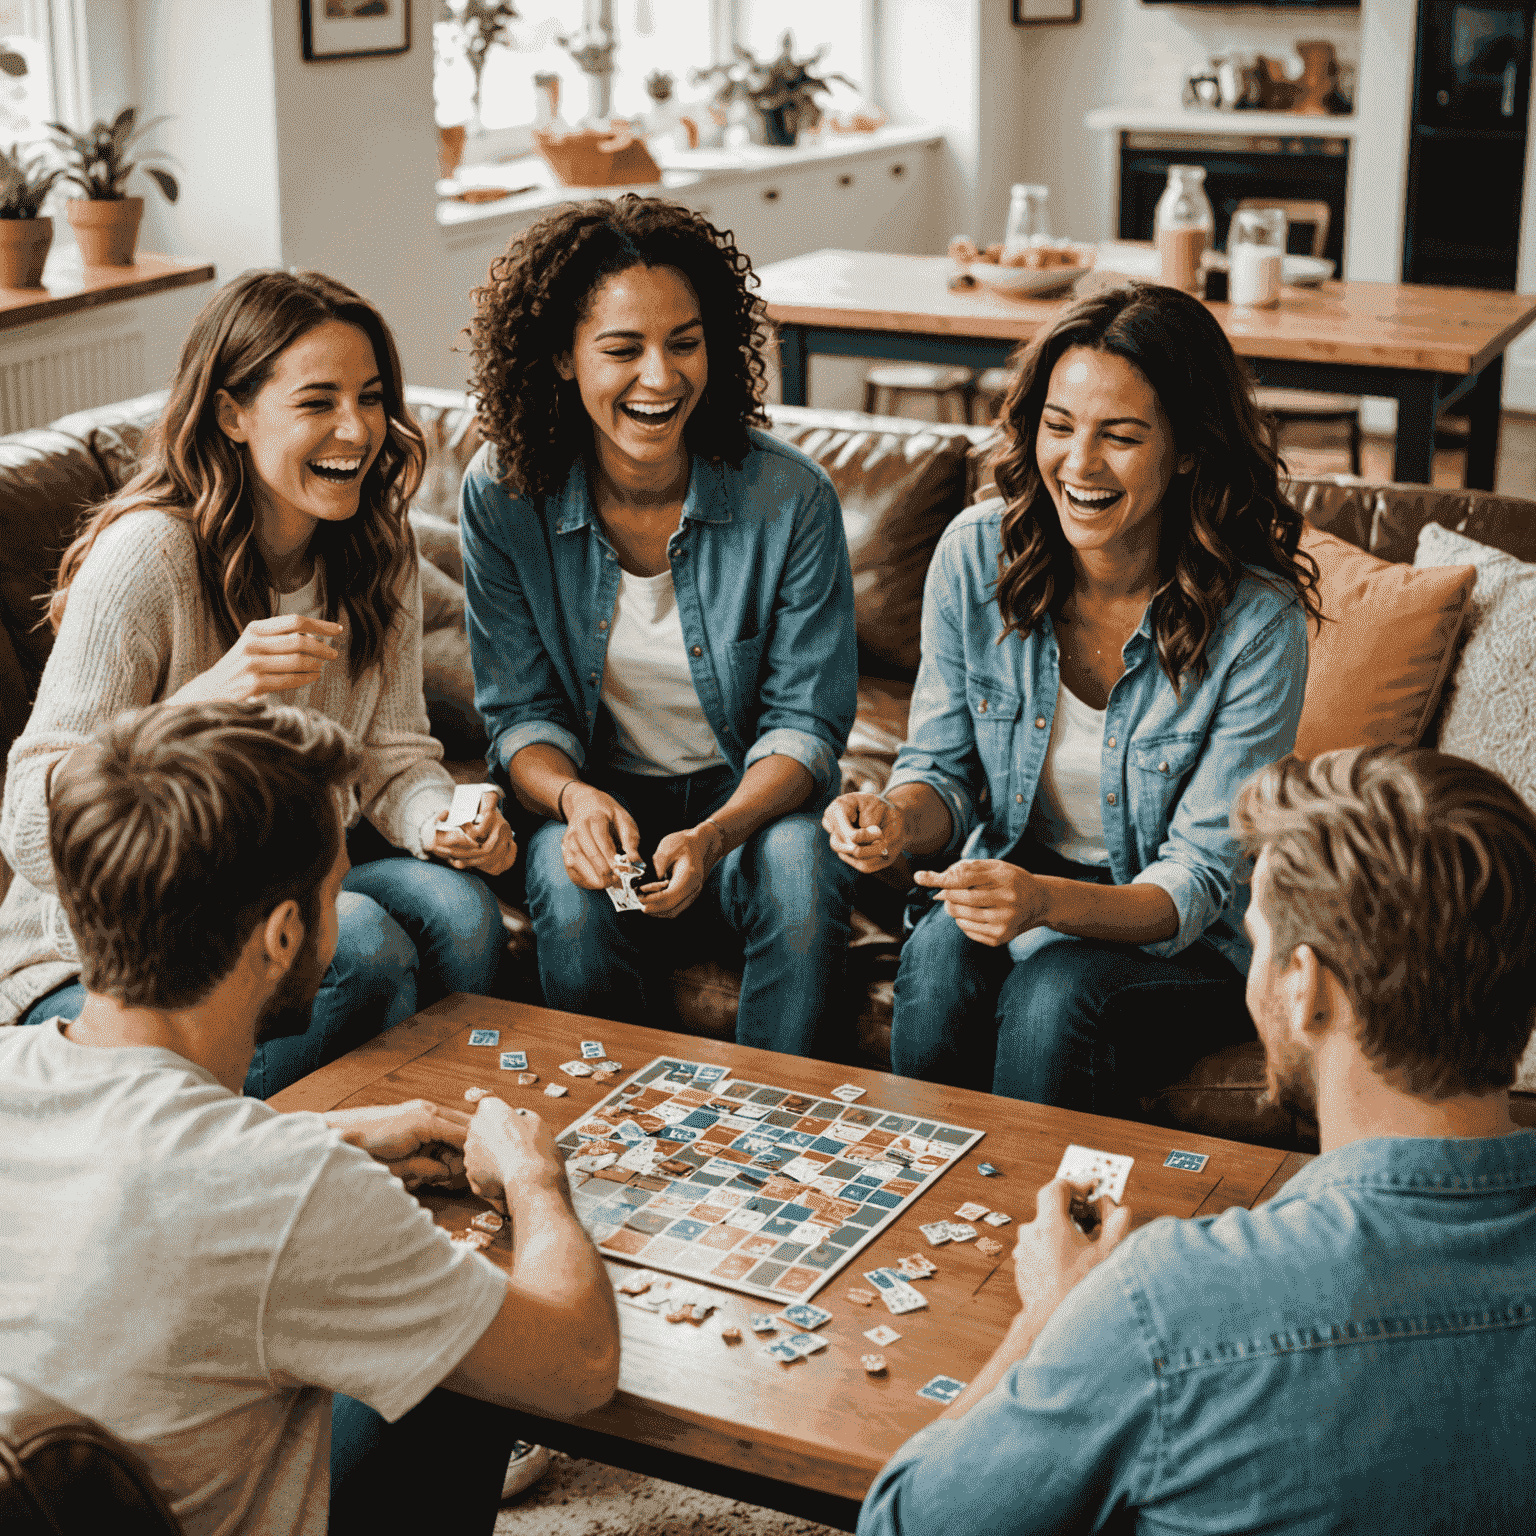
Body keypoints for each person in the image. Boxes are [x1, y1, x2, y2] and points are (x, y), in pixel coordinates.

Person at [858, 746, 1536, 1535]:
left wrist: (1053, 1320)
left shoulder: (1160, 1304)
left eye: (1257, 941)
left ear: (1302, 985)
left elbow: (904, 1524)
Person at [0, 700, 620, 1536]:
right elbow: (579, 1364)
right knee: (460, 1367)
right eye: (337, 892)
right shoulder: (286, 1194)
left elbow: (141, 1176)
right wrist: (535, 1177)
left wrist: (321, 1135)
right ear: (285, 935)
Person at [0, 269, 516, 1098]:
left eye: (372, 397)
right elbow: (28, 823)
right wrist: (201, 704)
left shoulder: (378, 552)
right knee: (363, 939)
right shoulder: (150, 556)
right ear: (232, 414)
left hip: (276, 896)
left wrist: (443, 818)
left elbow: (392, 753)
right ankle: (271, 1162)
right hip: (102, 964)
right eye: (318, 402)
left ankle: (424, 1164)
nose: (358, 429)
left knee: (459, 913)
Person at [825, 282, 1320, 1111]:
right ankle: (916, 1211)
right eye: (1059, 427)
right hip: (1012, 880)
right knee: (940, 959)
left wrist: (1046, 904)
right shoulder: (976, 555)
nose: (1079, 465)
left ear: (1190, 446)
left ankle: (1044, 1235)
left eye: (1121, 437)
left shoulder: (1256, 622)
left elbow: (1197, 881)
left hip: (1179, 939)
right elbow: (940, 770)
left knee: (1055, 994)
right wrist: (896, 820)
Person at [460, 194, 858, 1056]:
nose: (661, 377)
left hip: (747, 809)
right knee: (569, 894)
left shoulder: (790, 498)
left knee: (799, 867)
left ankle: (774, 1125)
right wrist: (574, 799)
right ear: (563, 358)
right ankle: (611, 1145)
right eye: (622, 349)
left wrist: (715, 835)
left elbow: (806, 724)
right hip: (598, 799)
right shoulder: (503, 497)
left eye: (685, 342)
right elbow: (519, 712)